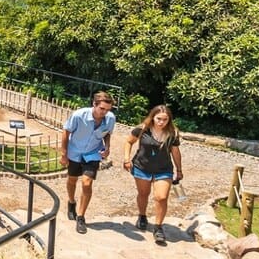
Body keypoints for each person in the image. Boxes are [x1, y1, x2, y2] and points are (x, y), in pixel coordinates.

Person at [124, 105, 183, 245]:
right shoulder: (142, 129)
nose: (161, 122)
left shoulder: (172, 133)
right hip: (142, 167)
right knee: (143, 194)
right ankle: (142, 216)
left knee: (161, 197)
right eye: (158, 119)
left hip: (164, 169)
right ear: (153, 117)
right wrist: (126, 159)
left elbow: (175, 152)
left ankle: (158, 227)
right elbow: (128, 141)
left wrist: (179, 170)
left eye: (165, 119)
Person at [59, 91, 116, 234]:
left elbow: (107, 133)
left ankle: (81, 216)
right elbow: (66, 132)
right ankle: (71, 202)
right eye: (102, 108)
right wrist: (64, 154)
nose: (104, 112)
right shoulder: (79, 115)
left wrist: (107, 147)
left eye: (108, 110)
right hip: (75, 152)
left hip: (92, 153)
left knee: (86, 183)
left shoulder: (110, 119)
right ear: (94, 104)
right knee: (72, 180)